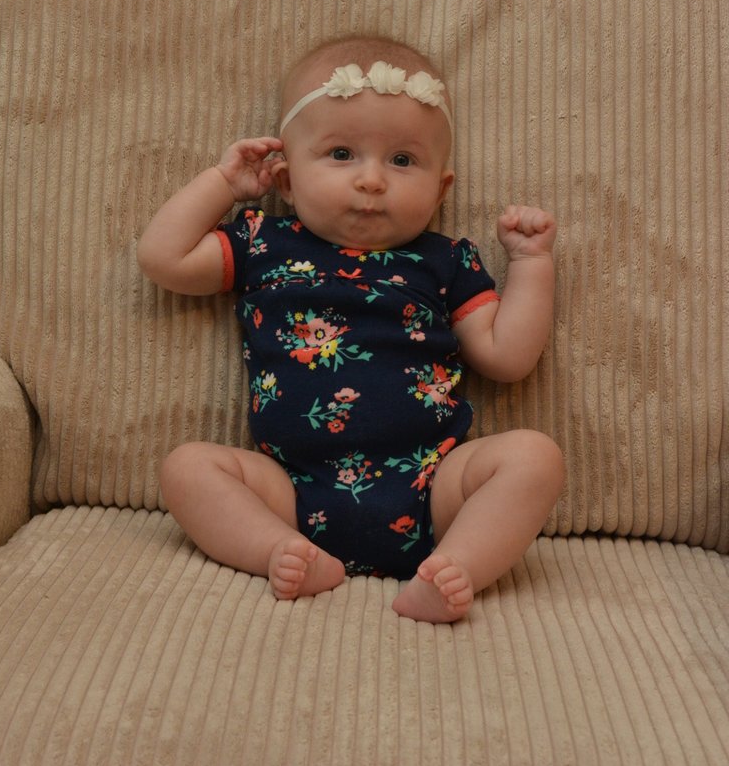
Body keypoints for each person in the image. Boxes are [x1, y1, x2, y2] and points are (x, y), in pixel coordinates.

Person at [138, 36, 564, 623]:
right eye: (341, 154)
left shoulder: (445, 262)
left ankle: (454, 568)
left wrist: (532, 263)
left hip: (433, 485)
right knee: (187, 467)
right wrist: (224, 184)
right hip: (290, 491)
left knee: (535, 457)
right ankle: (279, 551)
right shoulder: (262, 242)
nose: (372, 180)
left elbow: (507, 357)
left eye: (402, 160)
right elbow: (162, 259)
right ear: (286, 179)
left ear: (440, 189)